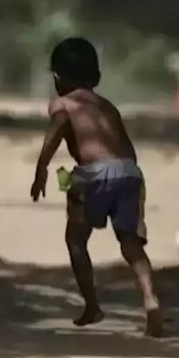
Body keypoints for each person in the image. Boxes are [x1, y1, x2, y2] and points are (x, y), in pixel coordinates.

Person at [30, 37, 164, 337]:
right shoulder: (107, 106)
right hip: (130, 174)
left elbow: (56, 132)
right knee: (131, 243)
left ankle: (92, 305)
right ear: (97, 77)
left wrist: (41, 170)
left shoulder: (63, 103)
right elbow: (124, 147)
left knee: (76, 239)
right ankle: (150, 299)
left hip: (93, 175)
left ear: (56, 77)